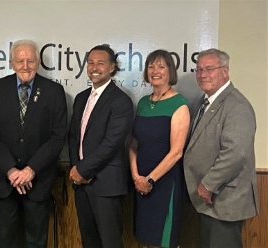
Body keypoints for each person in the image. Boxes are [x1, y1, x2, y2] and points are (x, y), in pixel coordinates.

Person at [0, 39, 67, 248]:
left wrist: (31, 169)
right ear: (11, 63)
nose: (25, 66)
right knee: (4, 239)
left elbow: (57, 137)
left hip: (38, 179)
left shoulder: (54, 92)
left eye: (30, 61)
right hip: (6, 180)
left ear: (38, 62)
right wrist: (11, 171)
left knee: (36, 240)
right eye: (20, 61)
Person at [184, 48, 258, 248]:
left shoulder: (237, 106)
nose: (202, 75)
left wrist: (208, 184)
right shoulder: (205, 102)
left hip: (224, 199)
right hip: (210, 201)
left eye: (209, 69)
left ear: (225, 71)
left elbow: (235, 153)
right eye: (198, 70)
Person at [68, 45, 134, 248]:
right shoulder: (81, 98)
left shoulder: (121, 101)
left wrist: (83, 169)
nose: (94, 67)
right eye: (90, 63)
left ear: (112, 68)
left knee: (110, 242)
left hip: (105, 184)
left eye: (100, 63)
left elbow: (112, 143)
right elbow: (74, 138)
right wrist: (76, 171)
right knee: (89, 241)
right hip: (81, 184)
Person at [129, 50, 190, 248]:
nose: (155, 71)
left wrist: (150, 179)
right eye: (151, 66)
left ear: (170, 71)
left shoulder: (179, 104)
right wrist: (137, 177)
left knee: (163, 241)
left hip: (164, 183)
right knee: (147, 240)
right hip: (141, 183)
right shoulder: (143, 103)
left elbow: (176, 152)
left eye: (161, 66)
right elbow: (133, 145)